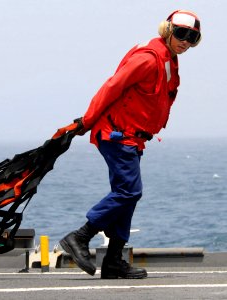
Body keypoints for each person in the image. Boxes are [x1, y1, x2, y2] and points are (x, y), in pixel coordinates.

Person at [59, 10, 202, 279]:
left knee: (127, 196)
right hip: (116, 134)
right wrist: (87, 121)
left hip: (133, 138)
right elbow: (112, 86)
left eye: (193, 38)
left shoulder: (169, 57)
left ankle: (113, 260)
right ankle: (79, 237)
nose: (186, 41)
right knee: (129, 191)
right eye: (182, 34)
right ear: (168, 30)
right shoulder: (148, 58)